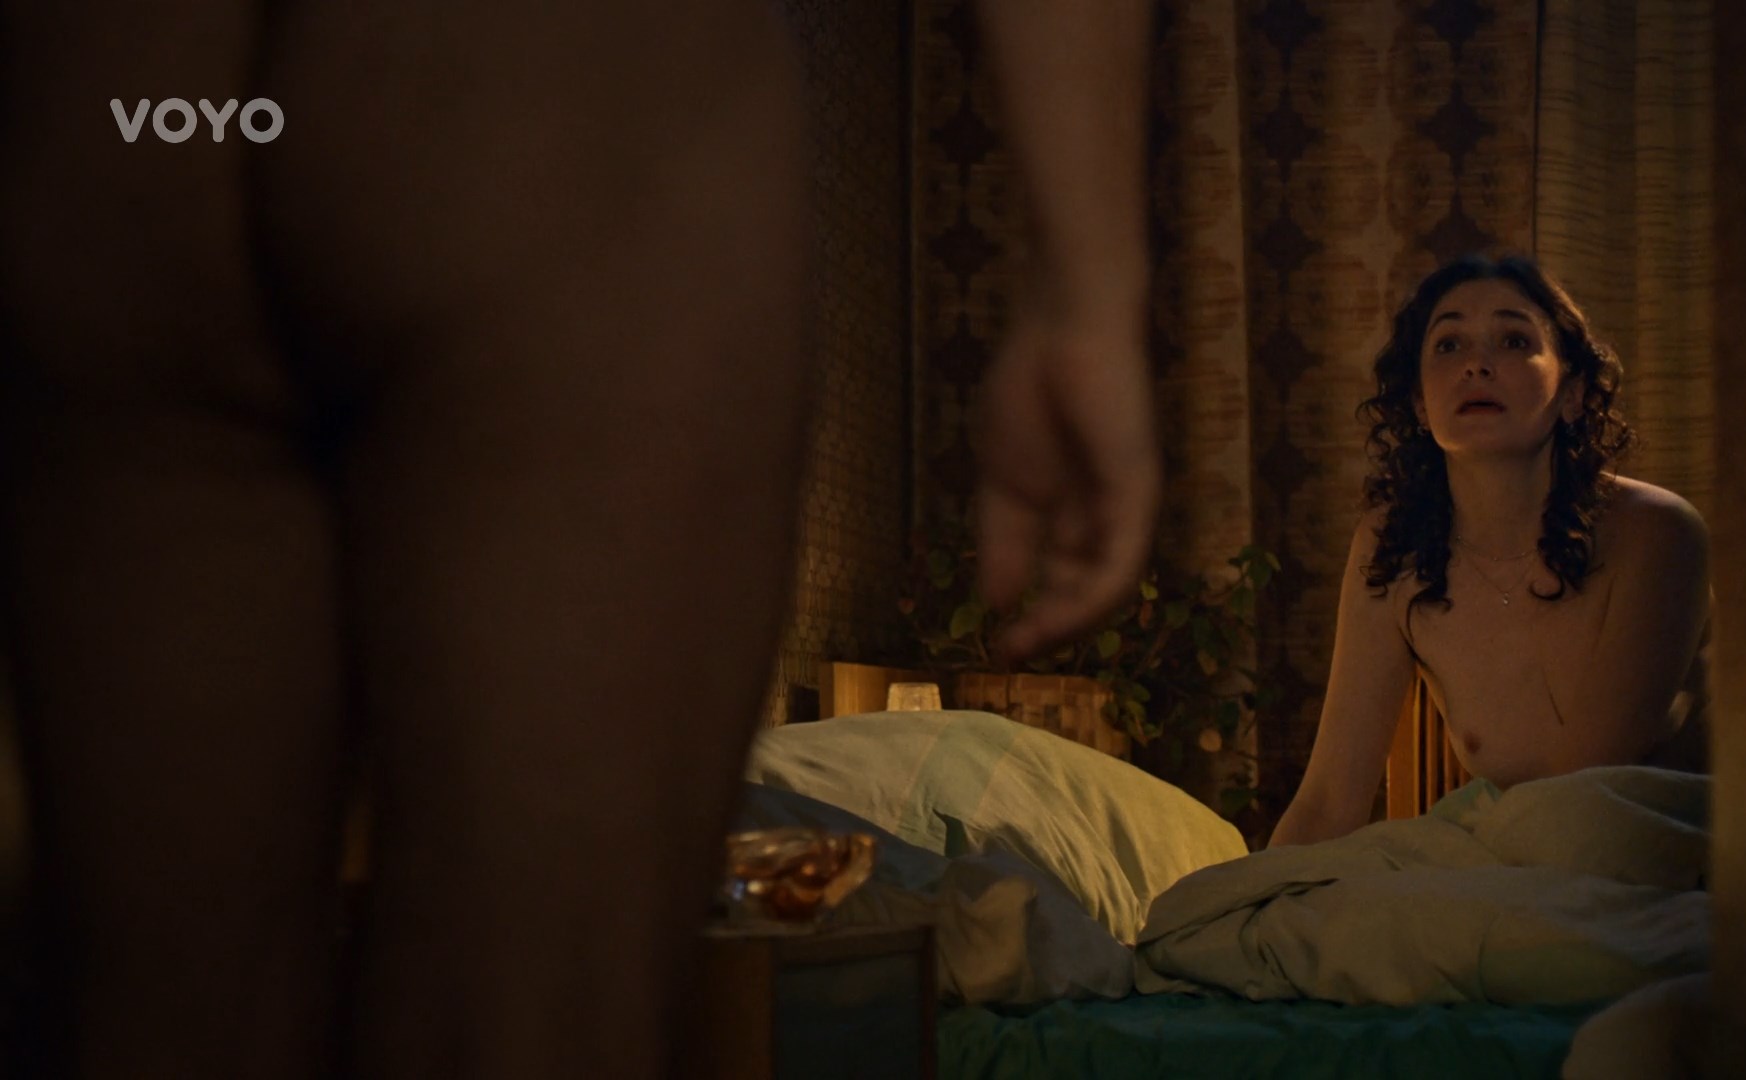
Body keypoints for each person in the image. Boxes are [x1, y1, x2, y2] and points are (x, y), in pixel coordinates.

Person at [0, 1, 1157, 1077]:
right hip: (546, 82)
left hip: (127, 104)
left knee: (155, 1011)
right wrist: (1087, 284)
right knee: (529, 1018)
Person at [1267, 253, 1710, 849]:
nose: (1476, 364)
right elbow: (1328, 802)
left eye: (1513, 340)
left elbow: (1587, 799)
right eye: (1449, 345)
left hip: (1661, 857)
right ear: (1420, 404)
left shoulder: (1658, 533)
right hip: (1510, 860)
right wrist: (1260, 892)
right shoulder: (1394, 545)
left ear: (1572, 391)